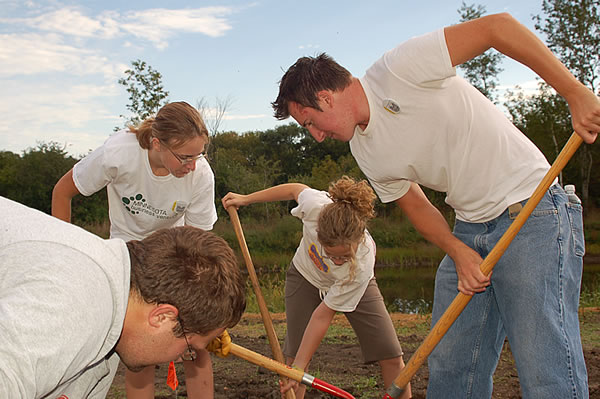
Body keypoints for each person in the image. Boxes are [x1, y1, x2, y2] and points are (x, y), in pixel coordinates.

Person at [271, 12, 600, 399]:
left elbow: (497, 28)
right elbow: (416, 205)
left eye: (309, 122)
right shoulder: (365, 150)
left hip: (532, 211)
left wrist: (575, 92)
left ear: (326, 97)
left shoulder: (400, 68)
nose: (316, 137)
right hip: (470, 228)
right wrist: (457, 250)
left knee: (545, 367)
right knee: (451, 365)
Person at [0, 196, 246, 398]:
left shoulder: (113, 330)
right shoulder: (74, 306)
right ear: (162, 317)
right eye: (189, 349)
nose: (180, 360)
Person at [52, 101, 219, 398]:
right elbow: (63, 192)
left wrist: (203, 298)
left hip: (175, 254)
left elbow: (199, 243)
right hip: (127, 254)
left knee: (195, 341)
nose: (192, 165)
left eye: (199, 155)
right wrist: (61, 256)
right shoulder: (119, 153)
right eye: (184, 157)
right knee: (140, 351)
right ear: (157, 143)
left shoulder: (200, 174)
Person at [222, 176, 411, 399]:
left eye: (343, 256)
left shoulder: (362, 262)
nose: (336, 261)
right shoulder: (315, 207)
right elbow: (294, 189)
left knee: (390, 353)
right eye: (330, 254)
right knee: (293, 360)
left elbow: (323, 315)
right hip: (305, 276)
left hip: (352, 283)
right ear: (319, 232)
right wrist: (246, 199)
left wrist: (299, 369)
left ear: (357, 241)